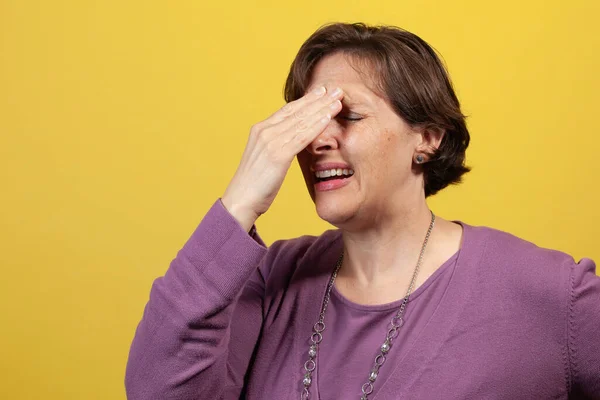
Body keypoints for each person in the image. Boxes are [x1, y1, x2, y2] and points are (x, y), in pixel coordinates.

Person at [125, 23, 600, 400]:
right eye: (307, 119)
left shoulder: (549, 294)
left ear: (428, 138)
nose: (317, 140)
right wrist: (240, 203)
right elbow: (157, 390)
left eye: (348, 117)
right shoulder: (270, 280)